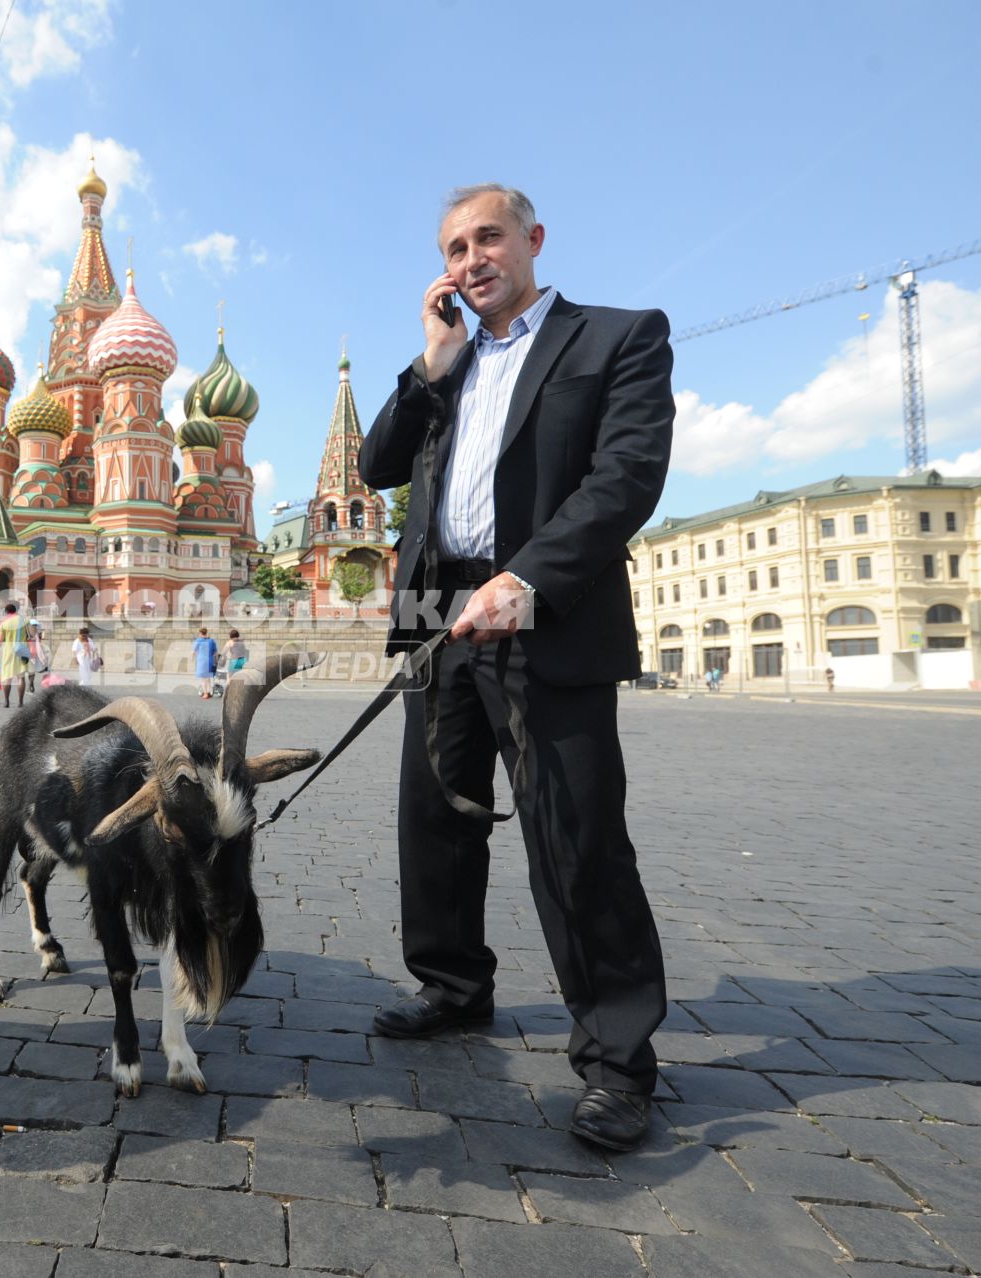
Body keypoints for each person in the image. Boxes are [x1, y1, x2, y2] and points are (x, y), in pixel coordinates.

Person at [358, 183, 672, 1152]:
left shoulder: (617, 339)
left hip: (546, 619)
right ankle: (453, 987)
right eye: (454, 248)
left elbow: (626, 478)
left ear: (534, 240)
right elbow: (375, 469)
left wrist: (527, 580)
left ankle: (618, 1060)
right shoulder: (447, 365)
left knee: (574, 838)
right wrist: (430, 363)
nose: (471, 259)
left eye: (488, 238)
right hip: (439, 620)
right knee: (436, 822)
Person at [0, 602, 27, 709]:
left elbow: (0, 640)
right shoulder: (23, 620)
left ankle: (6, 701)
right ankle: (20, 702)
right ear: (16, 610)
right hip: (21, 649)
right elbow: (30, 634)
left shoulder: (4, 623)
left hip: (8, 650)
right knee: (21, 677)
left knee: (7, 677)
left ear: (6, 612)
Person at [192, 626, 219, 699]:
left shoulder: (198, 641)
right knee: (208, 677)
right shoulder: (212, 641)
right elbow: (216, 652)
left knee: (203, 678)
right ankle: (209, 692)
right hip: (210, 660)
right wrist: (216, 661)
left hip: (202, 661)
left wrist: (193, 658)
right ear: (206, 633)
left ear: (200, 633)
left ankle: (205, 694)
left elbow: (194, 651)